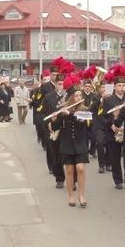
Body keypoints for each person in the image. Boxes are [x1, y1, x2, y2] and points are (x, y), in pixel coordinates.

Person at [51, 74, 90, 207]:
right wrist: (54, 119)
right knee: (69, 170)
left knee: (80, 168)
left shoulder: (85, 110)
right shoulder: (63, 109)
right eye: (76, 96)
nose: (79, 98)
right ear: (71, 97)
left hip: (80, 143)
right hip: (66, 143)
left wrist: (69, 114)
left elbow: (82, 122)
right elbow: (55, 128)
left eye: (80, 95)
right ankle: (70, 195)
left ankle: (81, 195)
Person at [101, 64, 125, 189]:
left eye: (123, 85)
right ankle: (118, 180)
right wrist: (111, 124)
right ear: (114, 86)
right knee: (115, 157)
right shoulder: (108, 100)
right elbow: (102, 117)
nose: (121, 88)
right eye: (119, 85)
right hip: (113, 132)